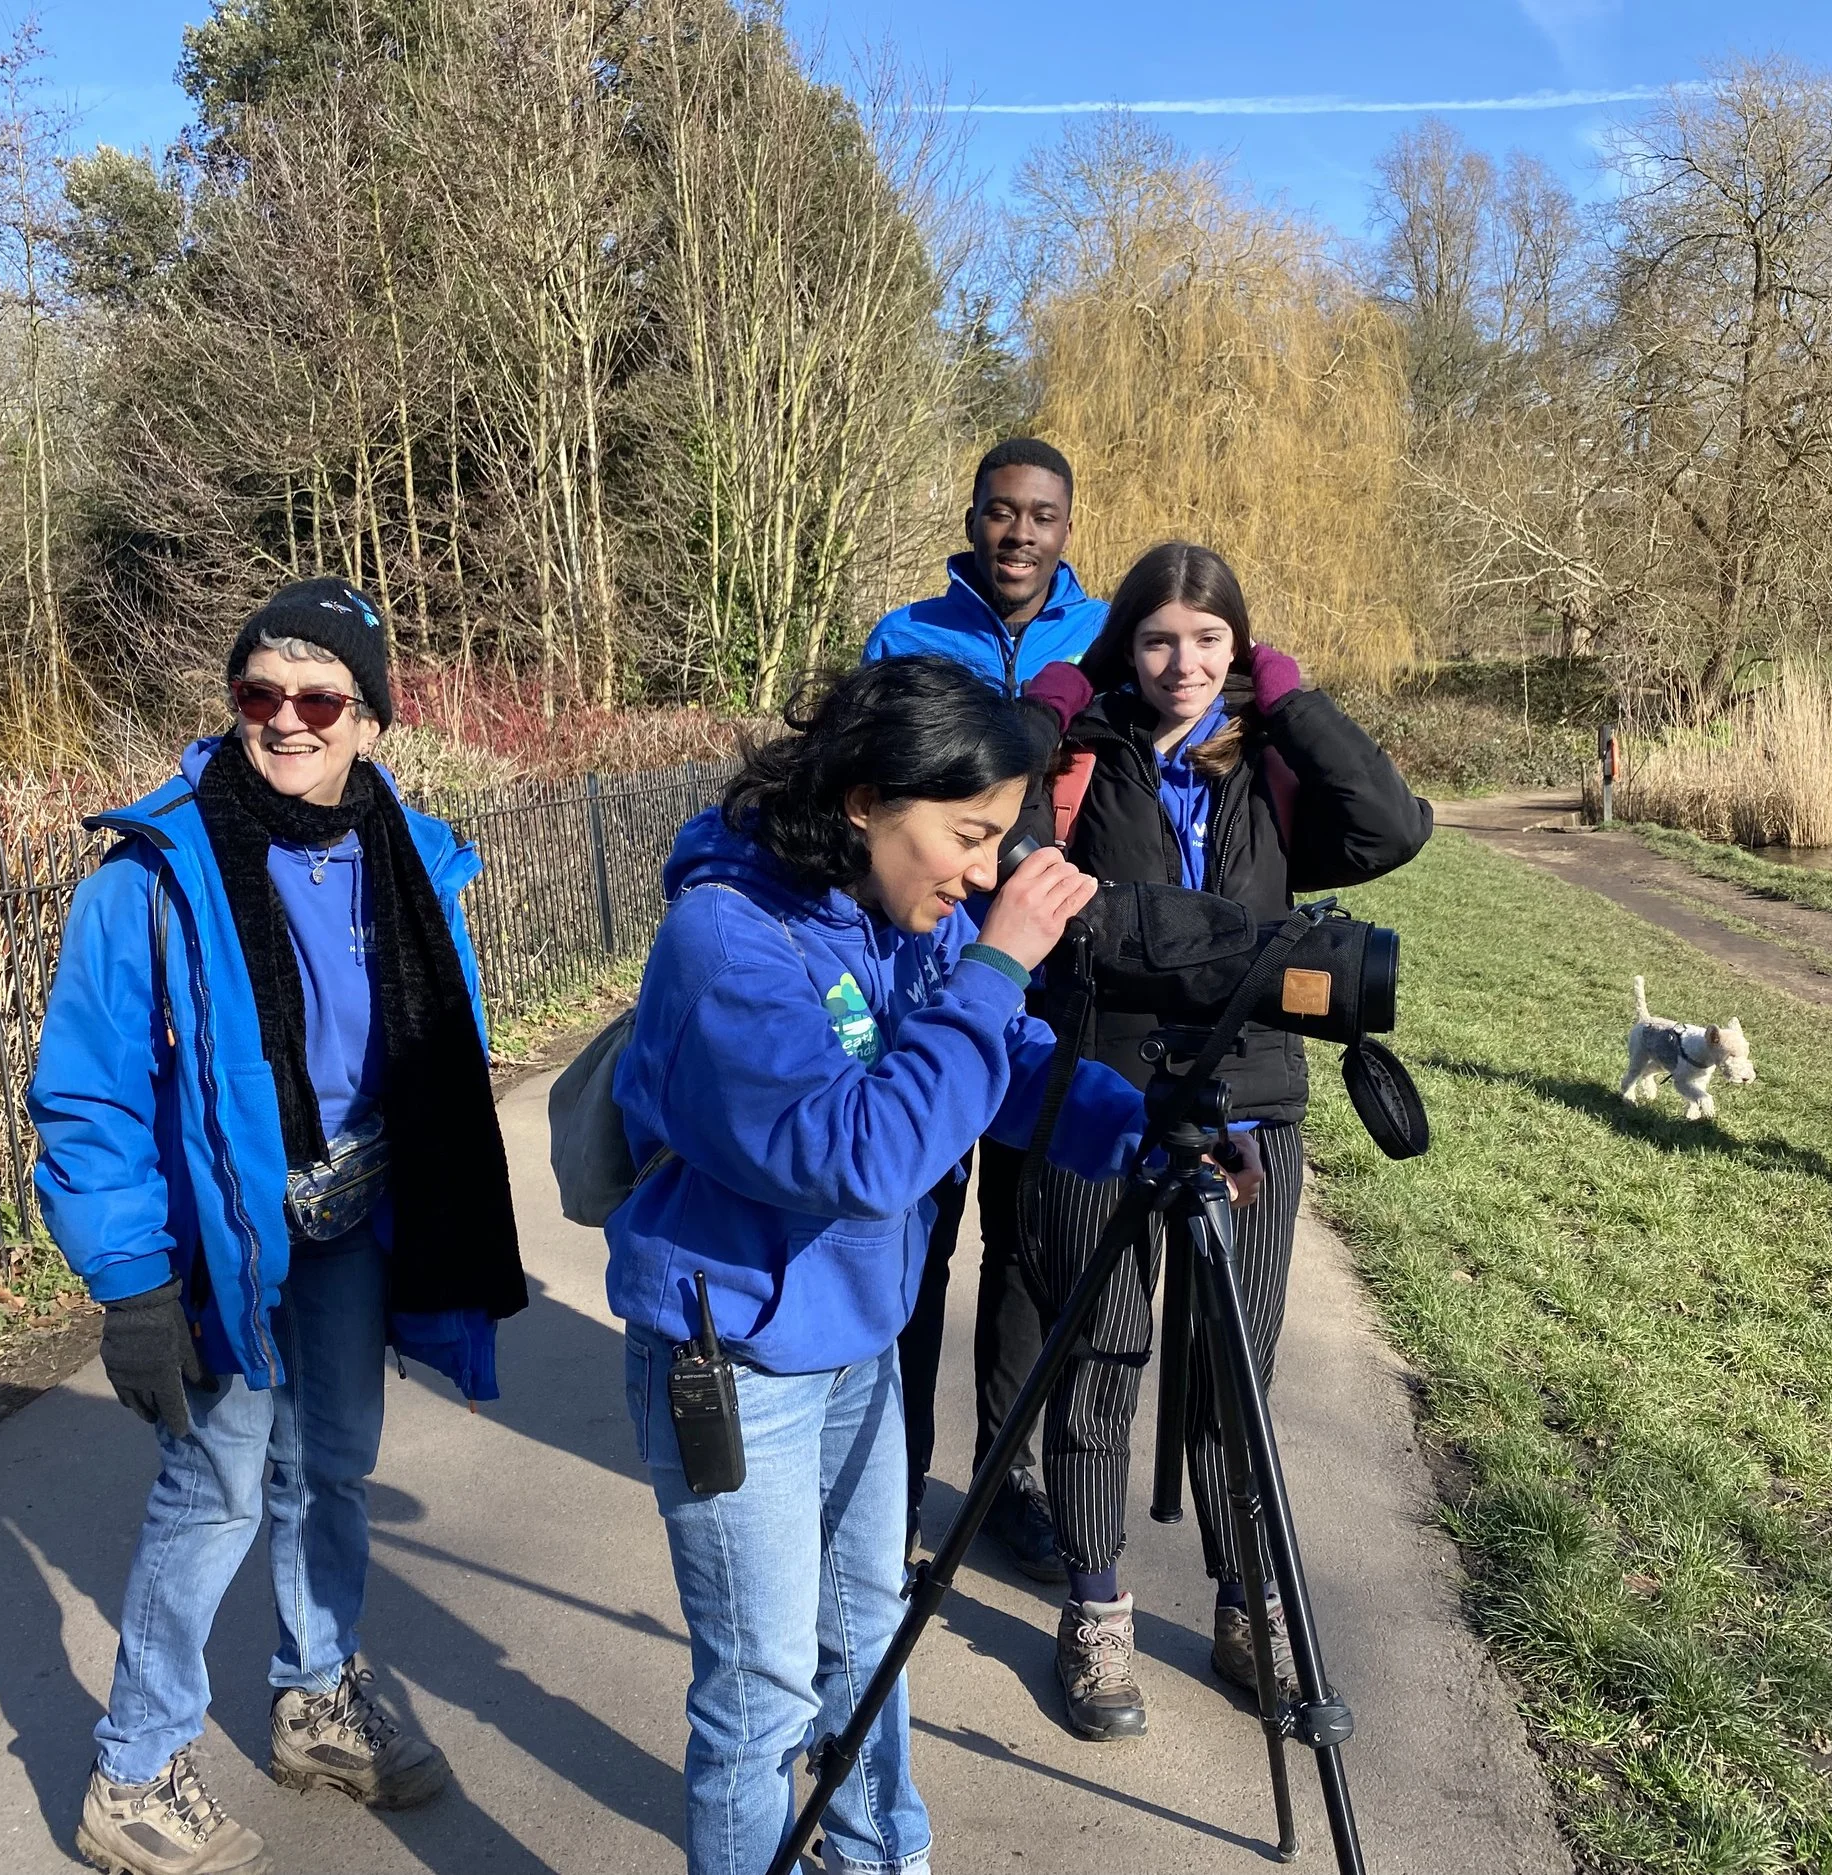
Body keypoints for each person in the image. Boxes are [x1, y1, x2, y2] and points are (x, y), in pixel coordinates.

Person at [604, 657, 1243, 1875]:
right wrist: (1002, 961)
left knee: (871, 1637)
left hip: (851, 1348)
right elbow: (866, 1151)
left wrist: (1139, 1125)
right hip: (735, 1363)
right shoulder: (724, 942)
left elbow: (989, 1067)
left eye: (1000, 839)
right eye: (968, 834)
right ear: (863, 800)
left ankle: (880, 1854)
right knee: (760, 1693)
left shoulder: (898, 919)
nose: (985, 871)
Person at [30, 577, 526, 1875]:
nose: (287, 719)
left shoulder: (409, 850)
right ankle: (133, 1768)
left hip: (355, 1214)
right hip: (227, 1240)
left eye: (320, 696)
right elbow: (89, 1092)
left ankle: (313, 1694)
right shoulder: (150, 875)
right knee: (218, 1484)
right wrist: (133, 1280)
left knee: (338, 1461)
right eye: (261, 693)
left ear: (369, 717)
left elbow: (436, 1045)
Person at [1013, 541, 1433, 1742]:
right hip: (1101, 1106)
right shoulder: (1083, 764)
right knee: (1102, 1350)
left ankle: (1247, 1604)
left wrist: (1293, 703)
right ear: (1124, 649)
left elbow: (1395, 828)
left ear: (1239, 650)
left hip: (1254, 1107)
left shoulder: (1272, 771)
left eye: (1209, 641)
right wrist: (1051, 707)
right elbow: (984, 815)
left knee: (1233, 1379)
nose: (1182, 663)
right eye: (1157, 640)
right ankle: (1095, 1609)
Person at [863, 437, 1110, 1579]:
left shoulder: (1103, 635)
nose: (1019, 534)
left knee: (1026, 1251)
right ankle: (892, 1476)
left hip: (1059, 974)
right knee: (917, 1232)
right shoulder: (908, 636)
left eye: (1041, 516)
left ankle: (1003, 1478)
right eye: (1000, 513)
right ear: (972, 519)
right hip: (933, 966)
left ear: (1068, 527)